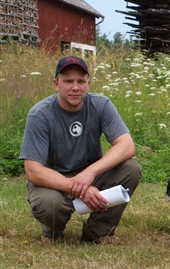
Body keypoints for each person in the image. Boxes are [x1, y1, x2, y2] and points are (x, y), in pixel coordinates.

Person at [20, 55, 142, 243]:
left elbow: (127, 146)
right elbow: (33, 171)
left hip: (89, 174)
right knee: (49, 203)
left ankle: (98, 231)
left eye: (81, 81)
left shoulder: (101, 105)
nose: (75, 87)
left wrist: (90, 173)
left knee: (131, 169)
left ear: (88, 83)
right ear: (56, 83)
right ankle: (53, 233)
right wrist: (80, 189)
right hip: (54, 180)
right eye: (68, 81)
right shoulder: (39, 114)